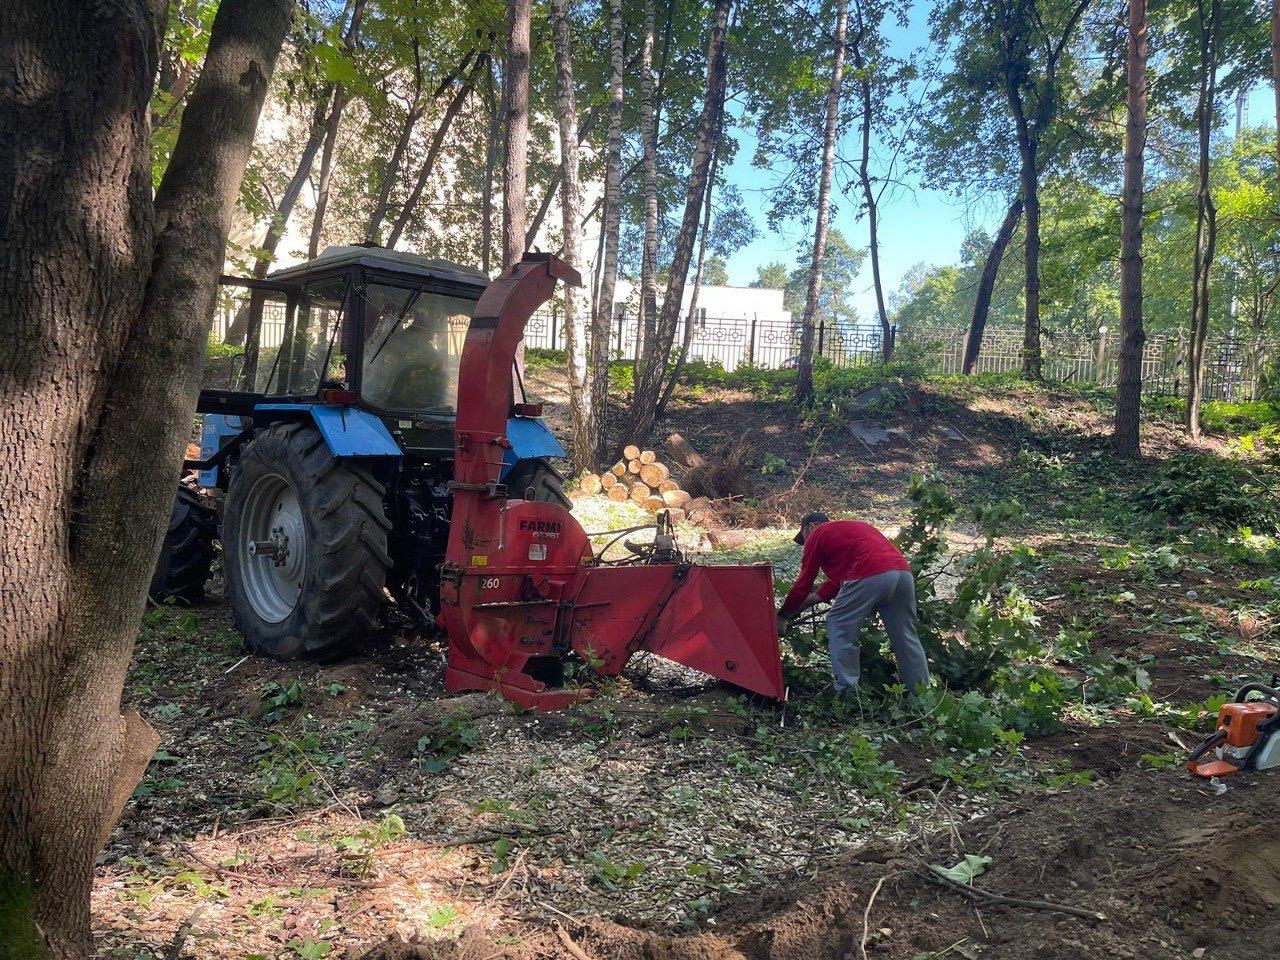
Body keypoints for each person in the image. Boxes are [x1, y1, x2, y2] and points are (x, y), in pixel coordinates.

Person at [778, 512, 930, 694]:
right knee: (905, 636)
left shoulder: (817, 533)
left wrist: (783, 615)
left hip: (871, 573)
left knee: (838, 623)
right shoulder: (850, 529)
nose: (805, 542)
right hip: (902, 574)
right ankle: (921, 693)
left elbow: (804, 582)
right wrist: (810, 600)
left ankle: (847, 693)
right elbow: (841, 580)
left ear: (809, 527)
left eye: (804, 537)